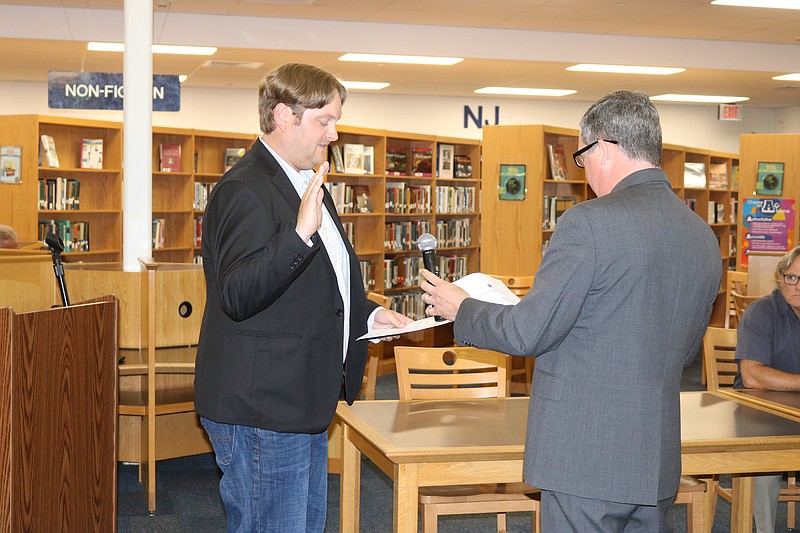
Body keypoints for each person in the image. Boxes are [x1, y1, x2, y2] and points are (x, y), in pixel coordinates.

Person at [420, 90, 722, 532]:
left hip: (584, 454)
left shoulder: (589, 222)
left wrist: (462, 307)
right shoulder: (702, 236)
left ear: (603, 146)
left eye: (583, 157)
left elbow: (528, 334)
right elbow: (684, 348)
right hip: (655, 455)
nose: (584, 174)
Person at [194, 63, 410, 533]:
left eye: (336, 121)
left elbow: (321, 284)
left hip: (301, 400)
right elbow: (235, 292)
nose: (334, 134)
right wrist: (297, 235)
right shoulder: (243, 190)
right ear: (283, 116)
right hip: (263, 407)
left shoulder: (303, 181)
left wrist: (368, 316)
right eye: (324, 120)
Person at [734, 245, 800, 533]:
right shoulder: (762, 311)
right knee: (765, 465)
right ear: (780, 279)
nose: (797, 286)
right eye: (792, 278)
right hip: (759, 413)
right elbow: (753, 377)